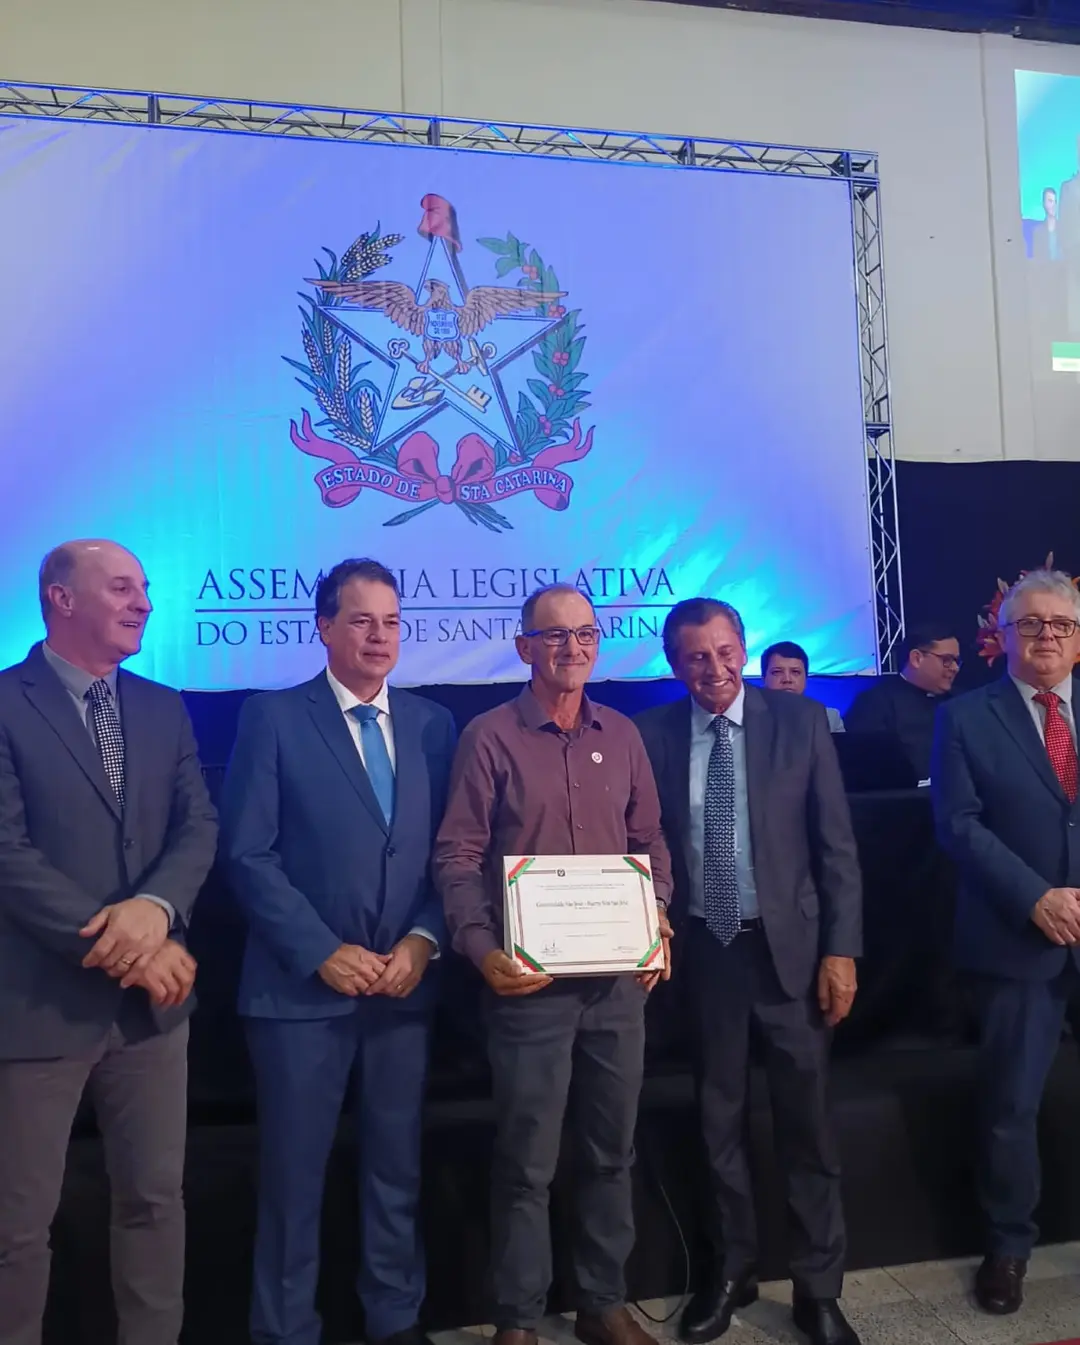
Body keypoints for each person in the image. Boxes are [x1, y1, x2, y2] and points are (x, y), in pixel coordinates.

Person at [220, 558, 458, 1345]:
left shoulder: (432, 724)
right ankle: (286, 1330)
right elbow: (247, 854)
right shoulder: (274, 716)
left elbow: (449, 856)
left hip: (402, 992)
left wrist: (426, 940)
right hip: (300, 996)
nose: (379, 636)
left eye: (391, 621)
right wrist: (321, 950)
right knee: (294, 1180)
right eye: (361, 620)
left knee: (396, 1169)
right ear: (323, 627)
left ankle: (395, 1319)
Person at [434, 583, 673, 1345]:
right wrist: (479, 946)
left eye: (585, 635)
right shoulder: (489, 736)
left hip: (615, 988)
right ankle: (519, 1318)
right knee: (526, 1161)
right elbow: (458, 853)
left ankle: (604, 1301)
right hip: (528, 987)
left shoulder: (624, 734)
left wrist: (656, 913)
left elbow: (652, 843)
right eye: (555, 636)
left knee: (611, 1151)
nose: (572, 649)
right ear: (523, 645)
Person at [0, 539, 218, 1345]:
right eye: (122, 587)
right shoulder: (5, 702)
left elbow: (198, 824)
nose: (144, 602)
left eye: (146, 587)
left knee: (156, 1205)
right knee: (16, 1229)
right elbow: (7, 854)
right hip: (36, 1008)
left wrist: (157, 908)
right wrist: (130, 941)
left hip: (151, 1017)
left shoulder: (163, 707)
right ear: (60, 598)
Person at [636, 598, 862, 1345]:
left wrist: (840, 950)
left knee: (808, 1124)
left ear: (744, 647)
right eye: (697, 656)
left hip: (792, 952)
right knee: (717, 1121)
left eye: (726, 650)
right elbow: (643, 844)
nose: (716, 668)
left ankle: (818, 1288)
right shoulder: (653, 734)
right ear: (674, 663)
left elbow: (836, 848)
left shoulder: (799, 724)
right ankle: (729, 1270)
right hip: (709, 952)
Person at [932, 568, 1080, 1317]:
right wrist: (1036, 897)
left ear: (1078, 638)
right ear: (1005, 634)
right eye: (1032, 623)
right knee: (1009, 1107)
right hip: (1017, 938)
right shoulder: (965, 718)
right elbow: (958, 824)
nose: (1047, 634)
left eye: (1060, 623)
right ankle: (1010, 1247)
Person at [845, 622, 960, 781]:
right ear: (916, 659)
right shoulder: (873, 704)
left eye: (956, 661)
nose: (955, 668)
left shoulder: (962, 702)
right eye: (947, 660)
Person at [760, 641, 845, 732]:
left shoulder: (830, 719)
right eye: (777, 672)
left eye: (795, 672)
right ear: (764, 678)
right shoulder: (747, 718)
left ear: (805, 678)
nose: (787, 679)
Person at [1030, 186, 1060, 263]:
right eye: (1050, 201)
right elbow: (1037, 258)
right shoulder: (1037, 232)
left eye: (1055, 201)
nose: (1053, 205)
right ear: (1044, 203)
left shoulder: (1064, 229)